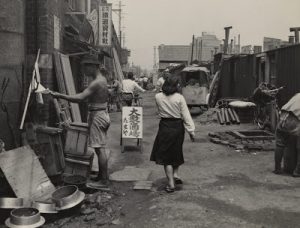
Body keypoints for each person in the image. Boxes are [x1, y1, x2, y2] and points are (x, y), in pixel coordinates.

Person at [49, 54, 111, 185]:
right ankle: (101, 176)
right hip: (99, 113)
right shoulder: (101, 79)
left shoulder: (97, 82)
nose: (84, 70)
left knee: (99, 148)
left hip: (98, 115)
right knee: (98, 147)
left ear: (94, 66)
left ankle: (104, 180)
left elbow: (80, 98)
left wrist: (60, 95)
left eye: (86, 67)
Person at [150, 76, 195, 193]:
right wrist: (191, 131)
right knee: (176, 151)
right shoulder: (180, 98)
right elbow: (186, 115)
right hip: (178, 127)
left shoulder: (158, 97)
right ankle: (174, 175)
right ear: (176, 86)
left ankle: (171, 183)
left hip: (165, 126)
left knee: (166, 157)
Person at [274, 93, 300, 177]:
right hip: (295, 118)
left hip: (283, 116)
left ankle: (277, 168)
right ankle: (297, 171)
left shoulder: (298, 95)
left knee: (279, 144)